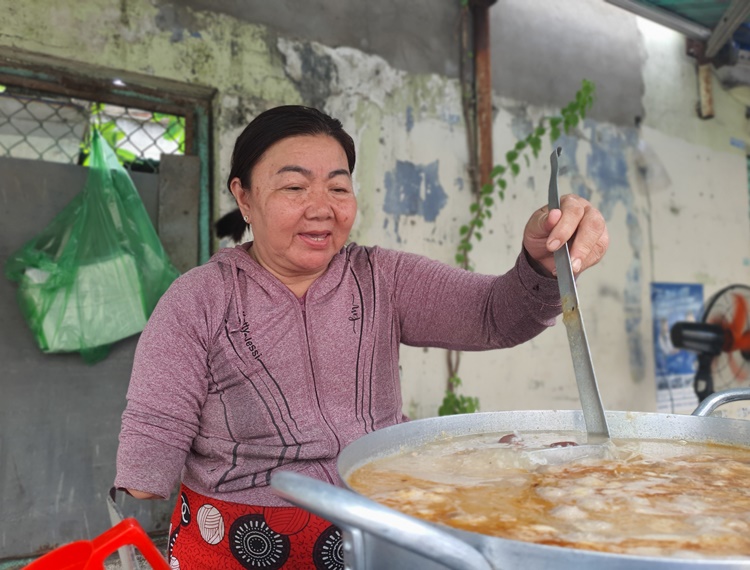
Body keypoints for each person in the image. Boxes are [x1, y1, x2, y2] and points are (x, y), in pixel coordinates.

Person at [115, 105, 609, 569]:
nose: (321, 208)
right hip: (238, 545)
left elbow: (494, 315)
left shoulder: (381, 277)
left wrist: (544, 264)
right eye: (294, 188)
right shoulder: (198, 299)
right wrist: (147, 466)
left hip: (375, 533)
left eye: (338, 187)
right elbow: (146, 466)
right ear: (243, 197)